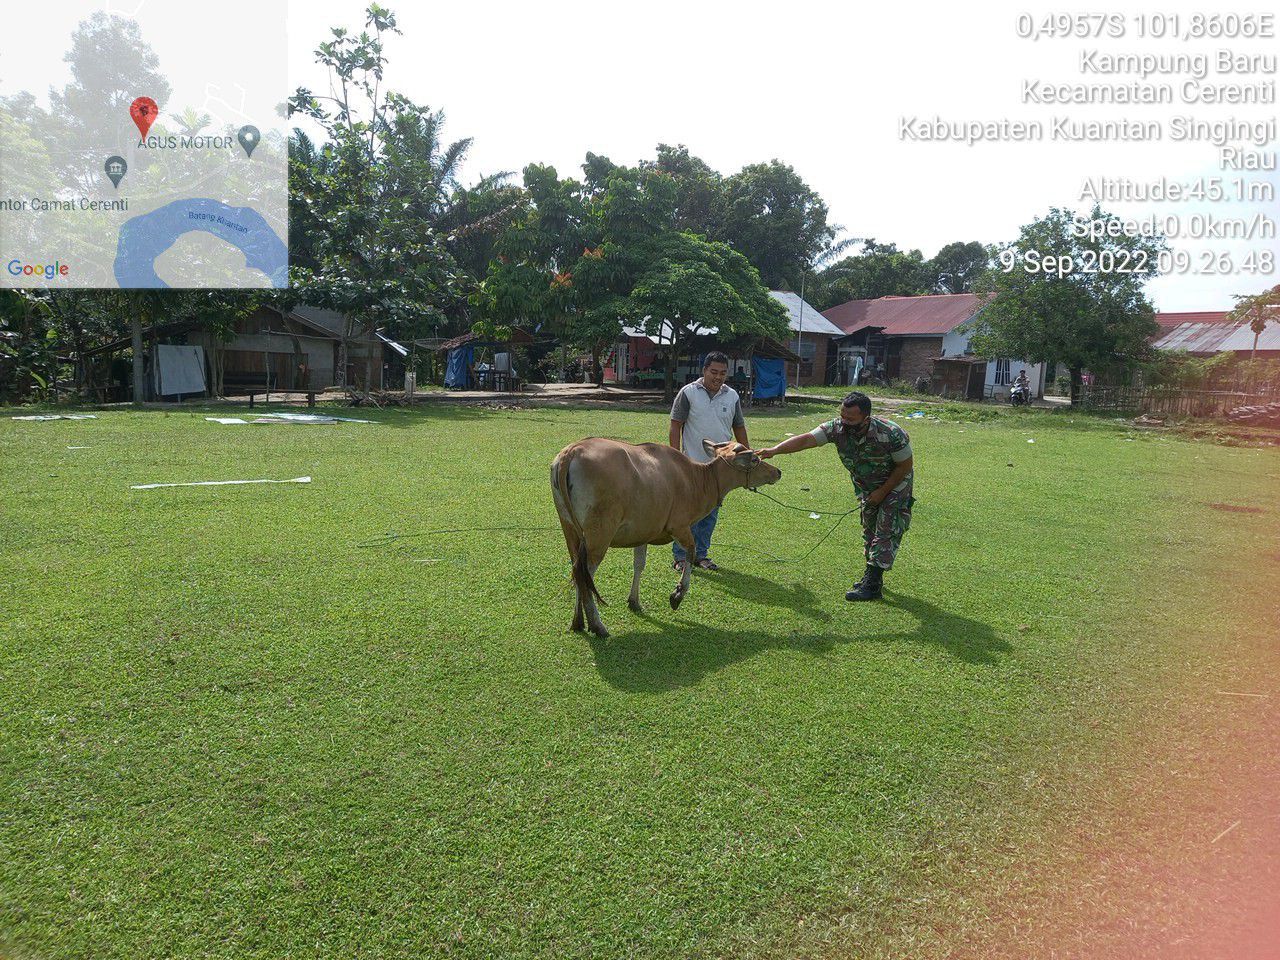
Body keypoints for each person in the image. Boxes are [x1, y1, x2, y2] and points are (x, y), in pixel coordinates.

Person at [759, 391, 914, 601]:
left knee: (886, 528)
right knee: (869, 527)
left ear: (866, 419)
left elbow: (905, 466)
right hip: (867, 485)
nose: (845, 421)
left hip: (896, 484)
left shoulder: (891, 433)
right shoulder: (836, 428)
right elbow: (806, 440)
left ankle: (872, 584)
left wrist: (882, 492)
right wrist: (774, 450)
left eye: (851, 419)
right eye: (842, 415)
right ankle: (873, 576)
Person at [669, 351, 749, 571]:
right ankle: (681, 557)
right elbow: (676, 425)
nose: (718, 377)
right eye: (713, 372)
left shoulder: (731, 396)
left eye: (723, 373)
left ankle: (700, 555)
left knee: (710, 514)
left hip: (721, 469)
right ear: (704, 370)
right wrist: (675, 459)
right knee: (687, 514)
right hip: (691, 467)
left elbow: (739, 427)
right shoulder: (689, 393)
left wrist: (748, 457)